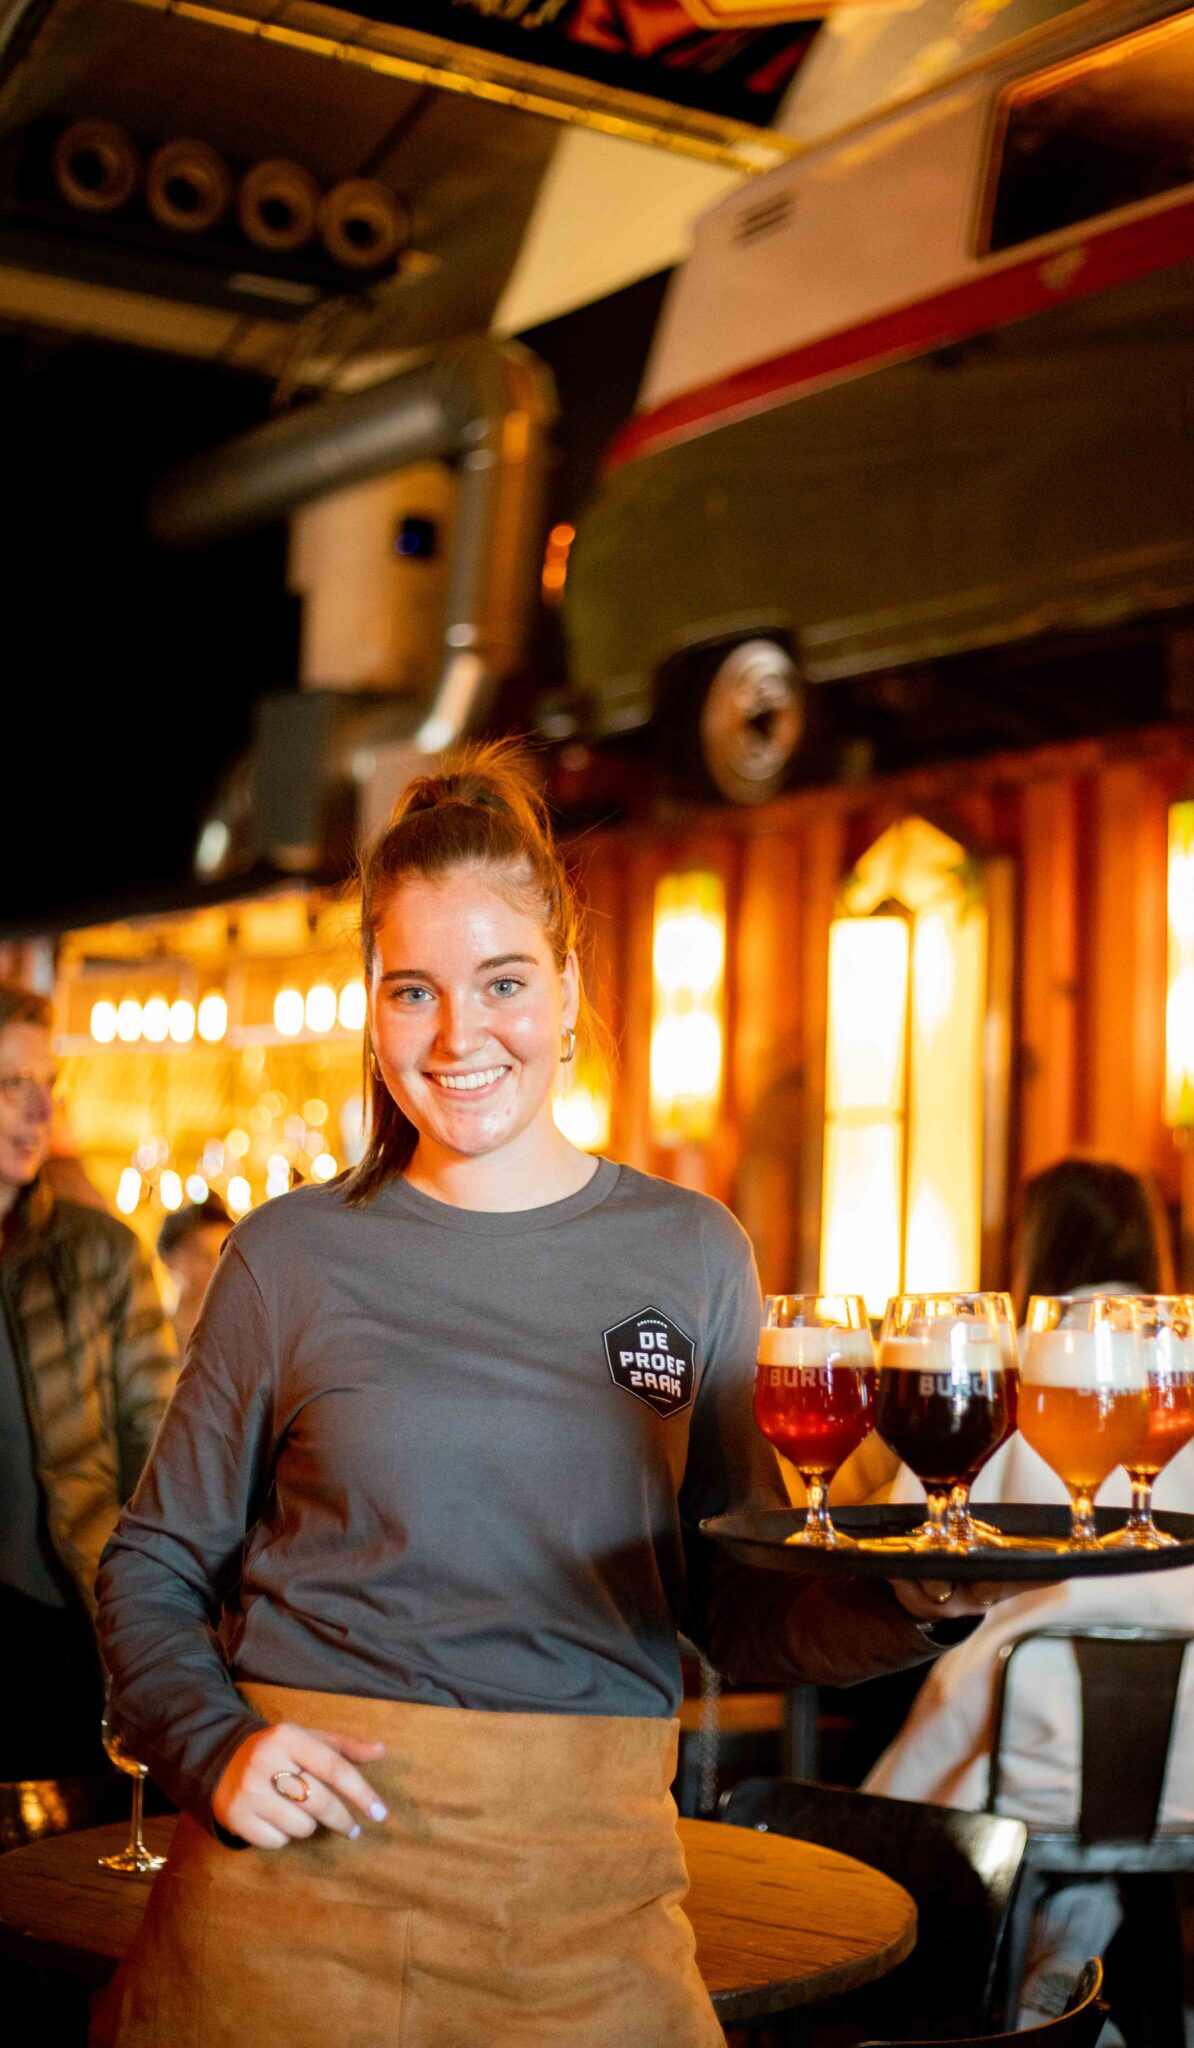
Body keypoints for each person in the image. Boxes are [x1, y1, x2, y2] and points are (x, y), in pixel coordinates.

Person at [94, 743, 1004, 2048]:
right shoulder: (287, 1256)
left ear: (569, 989)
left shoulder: (690, 1251)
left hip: (586, 1901)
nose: (459, 1035)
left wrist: (914, 1601)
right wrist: (215, 1748)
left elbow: (732, 1600)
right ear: (372, 1010)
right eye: (413, 990)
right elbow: (151, 1564)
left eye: (503, 981)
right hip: (288, 1900)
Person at [864, 1157, 1194, 2048]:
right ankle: (1176, 2006)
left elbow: (910, 1559)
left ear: (1032, 1248)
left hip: (1020, 1750)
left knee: (912, 1805)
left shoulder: (993, 1378)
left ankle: (1042, 1983)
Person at [0, 984, 178, 1787]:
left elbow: (159, 1448)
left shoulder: (100, 1252)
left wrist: (154, 1617)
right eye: (14, 1083)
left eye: (48, 1084)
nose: (41, 1108)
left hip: (62, 1626)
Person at [156, 1194, 231, 1356]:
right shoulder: (151, 1337)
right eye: (205, 1256)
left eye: (225, 1258)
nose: (217, 1268)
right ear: (169, 1260)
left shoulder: (239, 1337)